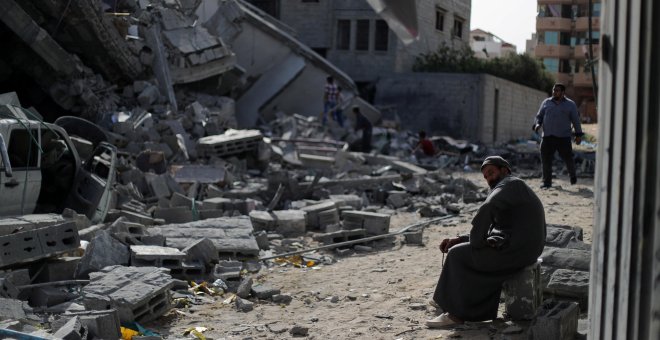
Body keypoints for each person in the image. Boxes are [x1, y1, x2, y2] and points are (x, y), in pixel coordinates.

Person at [426, 156, 546, 328]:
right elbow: (495, 229)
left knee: (457, 255)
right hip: (523, 247)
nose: (489, 179)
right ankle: (448, 302)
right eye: (486, 177)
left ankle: (456, 315)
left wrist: (475, 242)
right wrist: (460, 239)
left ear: (505, 170)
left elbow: (488, 206)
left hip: (519, 249)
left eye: (491, 173)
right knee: (460, 248)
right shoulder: (513, 189)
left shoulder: (510, 183)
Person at [533, 83, 584, 189]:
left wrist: (578, 134)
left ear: (563, 93)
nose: (554, 92)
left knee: (568, 158)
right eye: (553, 90)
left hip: (563, 137)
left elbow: (576, 120)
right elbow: (539, 116)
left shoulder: (570, 105)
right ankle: (547, 182)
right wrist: (537, 124)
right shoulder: (546, 102)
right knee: (546, 159)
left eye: (557, 90)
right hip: (547, 137)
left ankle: (572, 176)